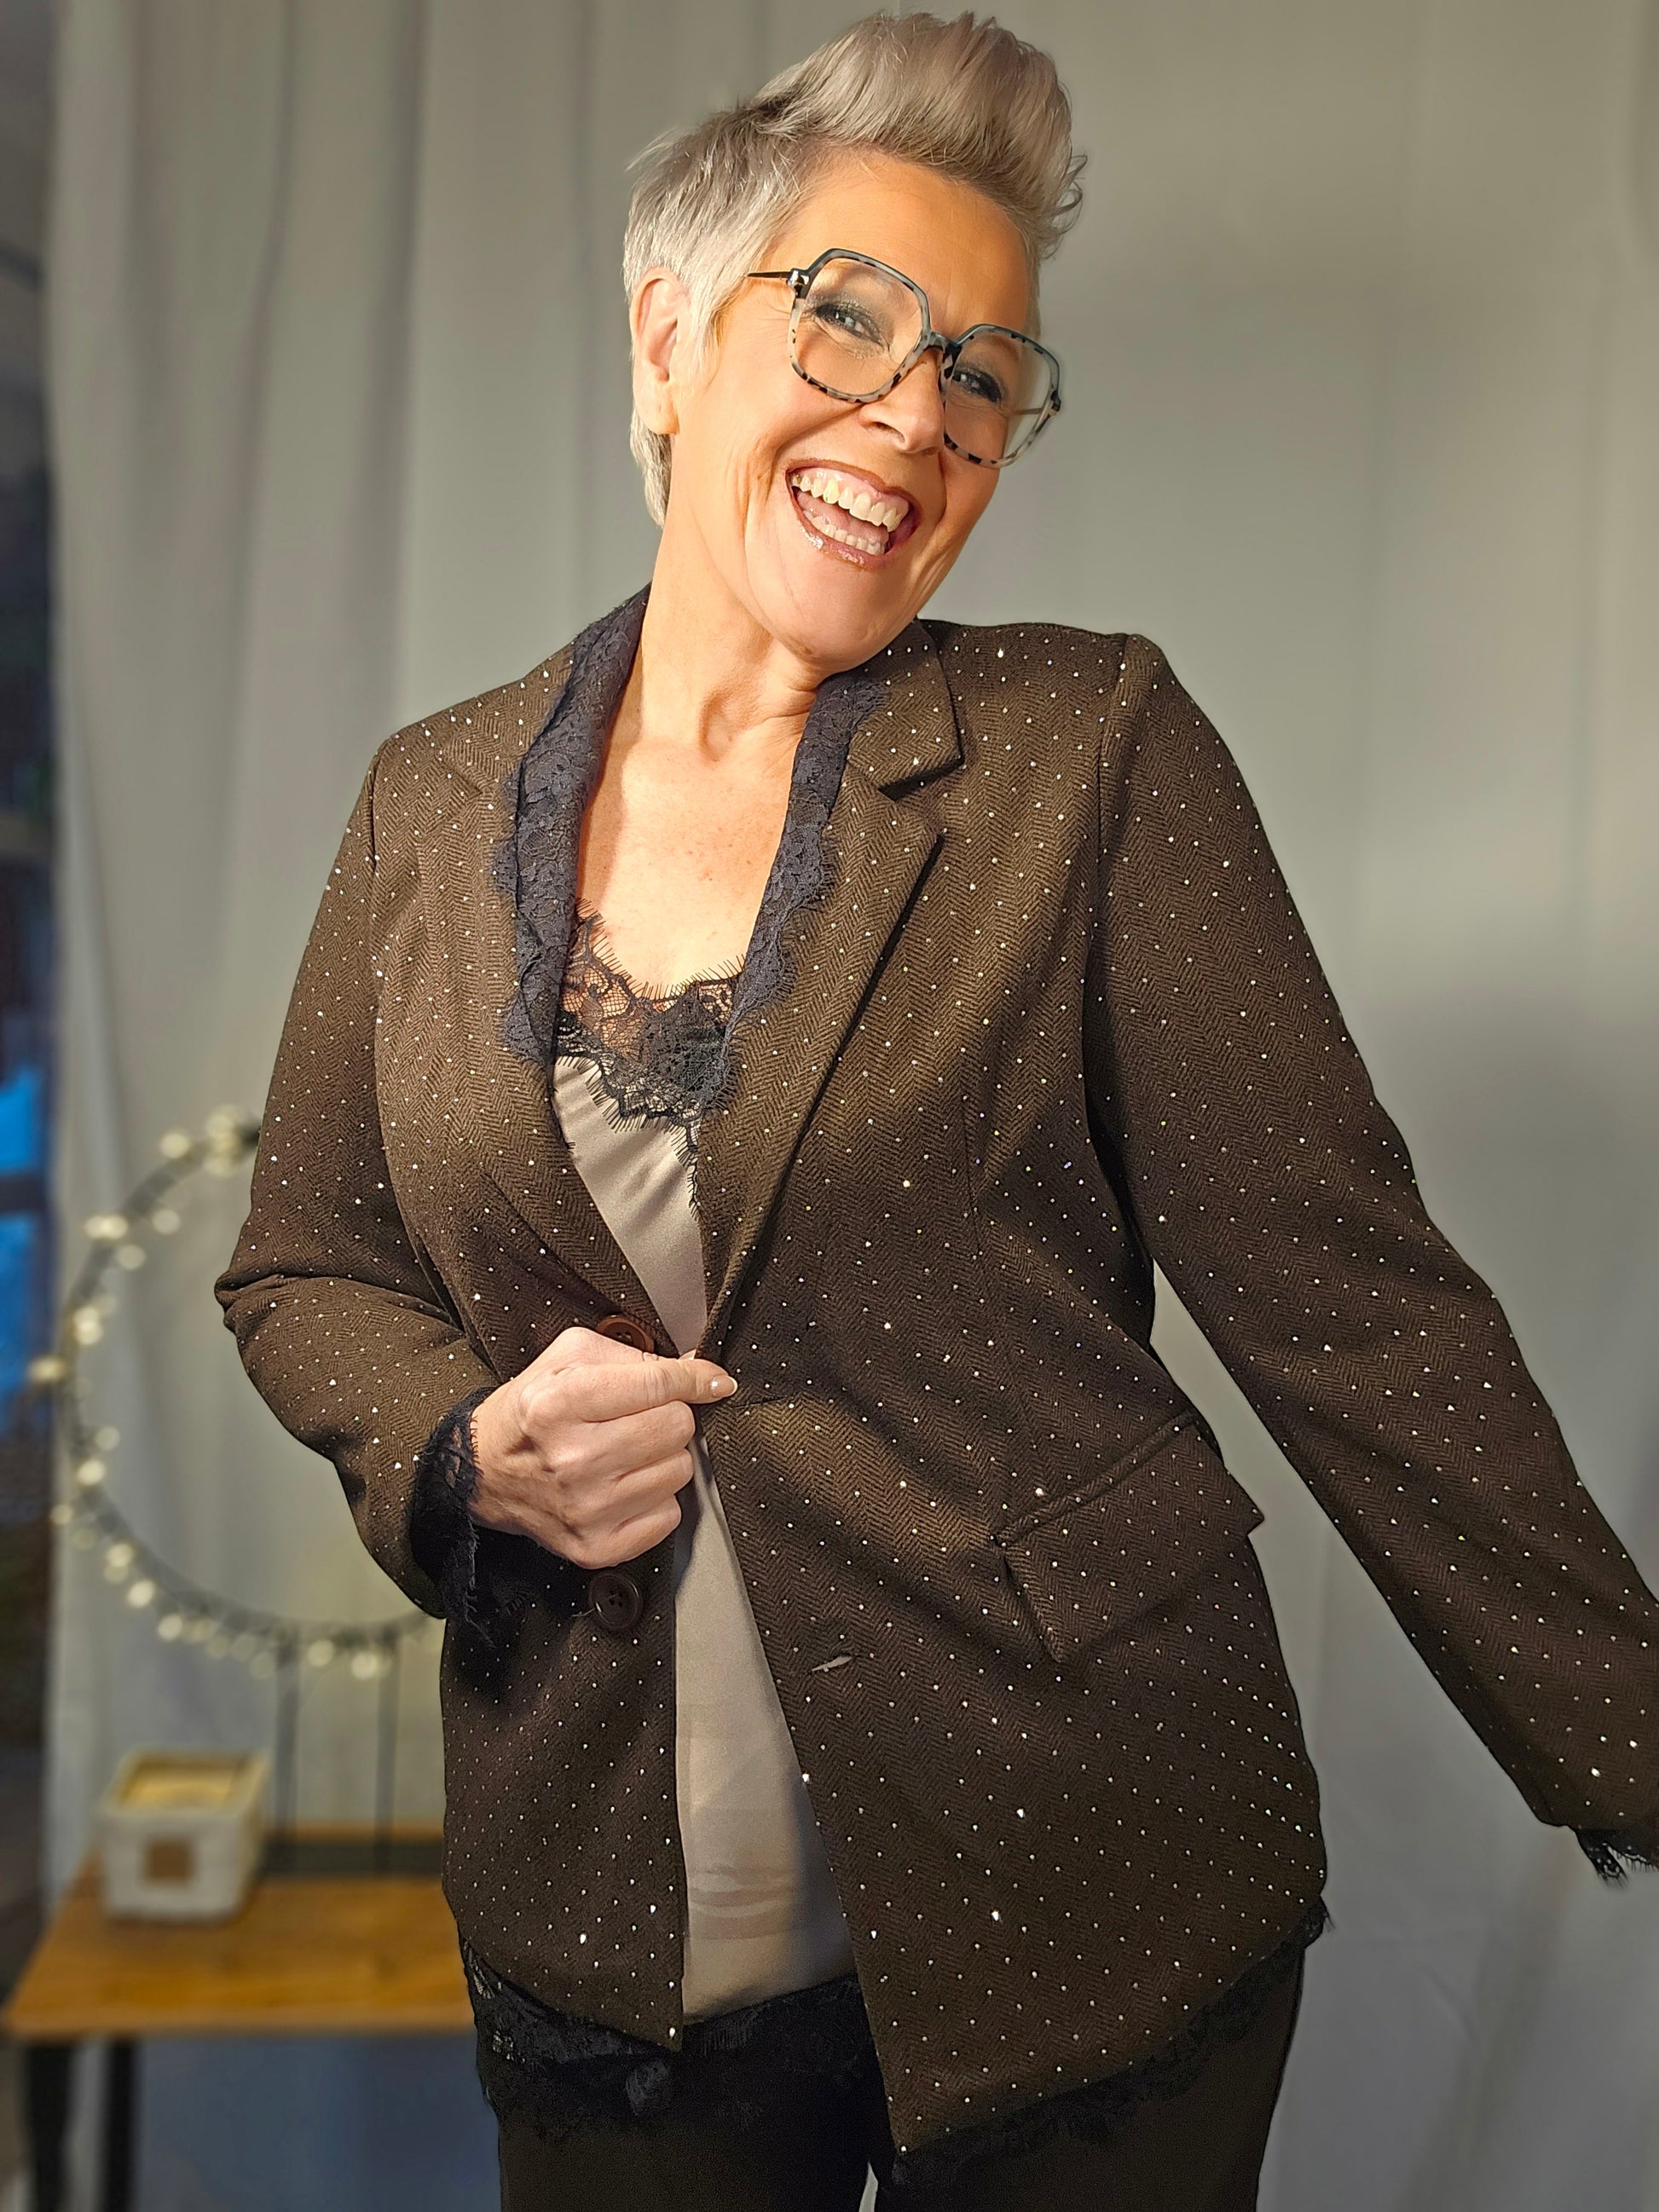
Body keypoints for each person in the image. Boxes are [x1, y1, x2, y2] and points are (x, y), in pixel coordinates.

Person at [214, 12, 1659, 2208]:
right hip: (612, 1911)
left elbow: (1351, 1303)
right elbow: (305, 1263)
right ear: (669, 335)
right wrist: (455, 1447)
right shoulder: (430, 804)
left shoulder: (1092, 750)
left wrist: (1631, 1723)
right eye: (852, 319)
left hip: (1092, 1865)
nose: (916, 415)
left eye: (983, 373)